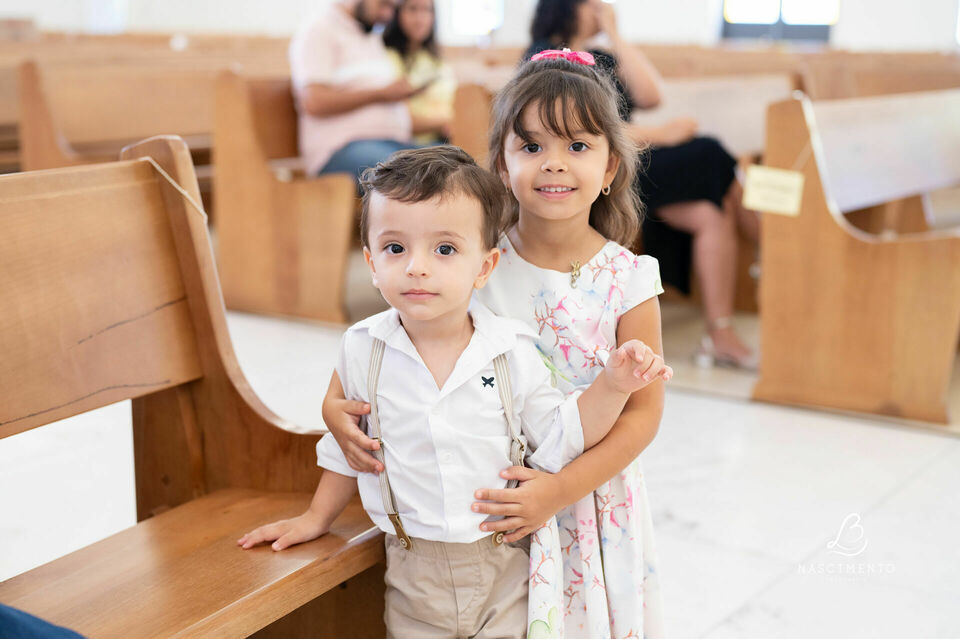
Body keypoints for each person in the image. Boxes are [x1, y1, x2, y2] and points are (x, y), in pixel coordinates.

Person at [237, 146, 672, 638]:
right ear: (371, 262)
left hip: (502, 562)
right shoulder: (363, 349)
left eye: (444, 249)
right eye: (395, 248)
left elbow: (561, 434)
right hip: (411, 567)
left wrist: (613, 386)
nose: (417, 268)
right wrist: (316, 517)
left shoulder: (511, 351)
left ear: (485, 267)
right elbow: (350, 445)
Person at [322, 54, 668, 638]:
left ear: (611, 166)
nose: (553, 163)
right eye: (530, 147)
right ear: (502, 168)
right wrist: (335, 407)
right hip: (487, 507)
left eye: (577, 147)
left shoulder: (628, 278)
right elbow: (391, 337)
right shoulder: (472, 258)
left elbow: (644, 416)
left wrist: (558, 490)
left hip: (587, 501)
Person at [528, 0, 761, 369]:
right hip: (605, 164)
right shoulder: (546, 57)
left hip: (629, 161)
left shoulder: (601, 55)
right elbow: (582, 130)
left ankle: (721, 332)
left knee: (710, 213)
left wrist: (617, 35)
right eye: (592, 4)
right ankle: (766, 243)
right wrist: (662, 134)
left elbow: (651, 95)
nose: (601, 9)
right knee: (711, 152)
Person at [288, 0, 422, 181]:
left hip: (391, 145)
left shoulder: (371, 36)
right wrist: (381, 94)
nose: (388, 16)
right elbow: (314, 102)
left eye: (392, 8)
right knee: (410, 174)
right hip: (339, 151)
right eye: (384, 5)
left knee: (454, 166)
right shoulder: (319, 30)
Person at [382, 0, 457, 145]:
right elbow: (404, 121)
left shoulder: (437, 61)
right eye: (412, 9)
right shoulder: (387, 59)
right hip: (410, 145)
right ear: (397, 13)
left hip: (447, 139)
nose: (420, 19)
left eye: (426, 10)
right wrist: (447, 122)